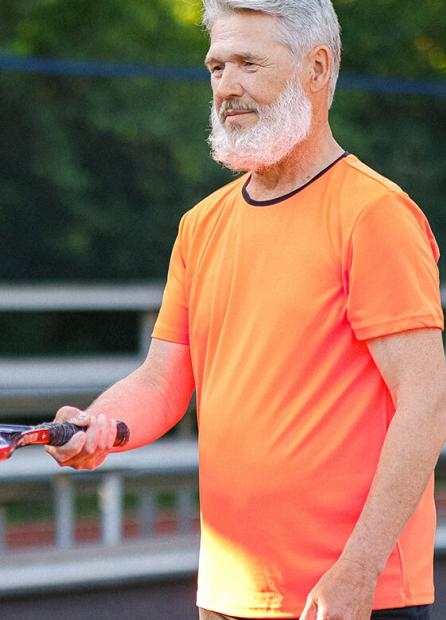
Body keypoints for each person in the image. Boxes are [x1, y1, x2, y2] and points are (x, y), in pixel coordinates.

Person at [45, 1, 446, 619]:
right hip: (229, 596)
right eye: (216, 66)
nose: (227, 86)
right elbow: (162, 379)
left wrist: (359, 571)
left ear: (317, 69)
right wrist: (99, 423)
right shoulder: (200, 225)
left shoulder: (375, 215)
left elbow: (426, 402)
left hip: (350, 597)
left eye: (249, 64)